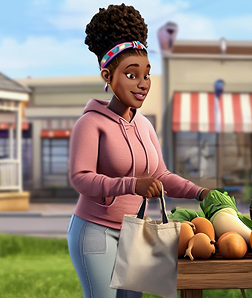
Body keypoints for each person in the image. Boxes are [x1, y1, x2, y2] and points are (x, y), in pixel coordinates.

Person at [68, 5, 211, 298]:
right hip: (96, 232)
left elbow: (159, 174)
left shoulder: (145, 125)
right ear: (107, 75)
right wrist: (132, 185)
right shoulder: (90, 124)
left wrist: (198, 192)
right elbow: (81, 178)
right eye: (131, 75)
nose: (143, 84)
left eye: (147, 74)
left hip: (137, 232)